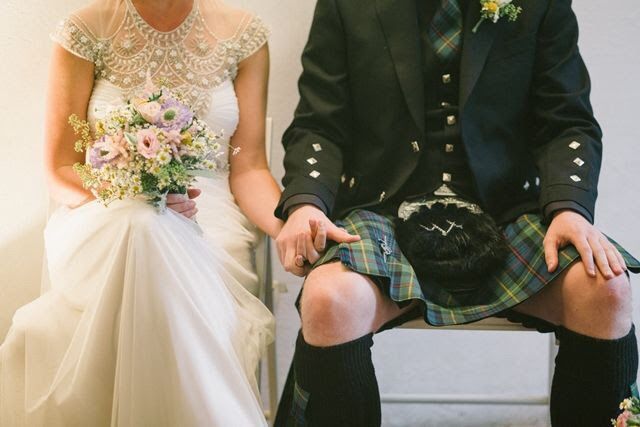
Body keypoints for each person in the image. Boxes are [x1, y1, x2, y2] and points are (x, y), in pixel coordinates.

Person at [273, 0, 640, 425]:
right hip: (384, 209)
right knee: (328, 299)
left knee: (604, 289)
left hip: (504, 213)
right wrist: (306, 204)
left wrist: (569, 209)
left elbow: (566, 122)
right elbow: (319, 123)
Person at [0, 0, 280, 425]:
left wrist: (291, 221)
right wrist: (136, 193)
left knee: (152, 229)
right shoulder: (84, 30)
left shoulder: (243, 36)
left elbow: (248, 162)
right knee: (144, 224)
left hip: (209, 215)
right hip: (103, 208)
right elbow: (61, 167)